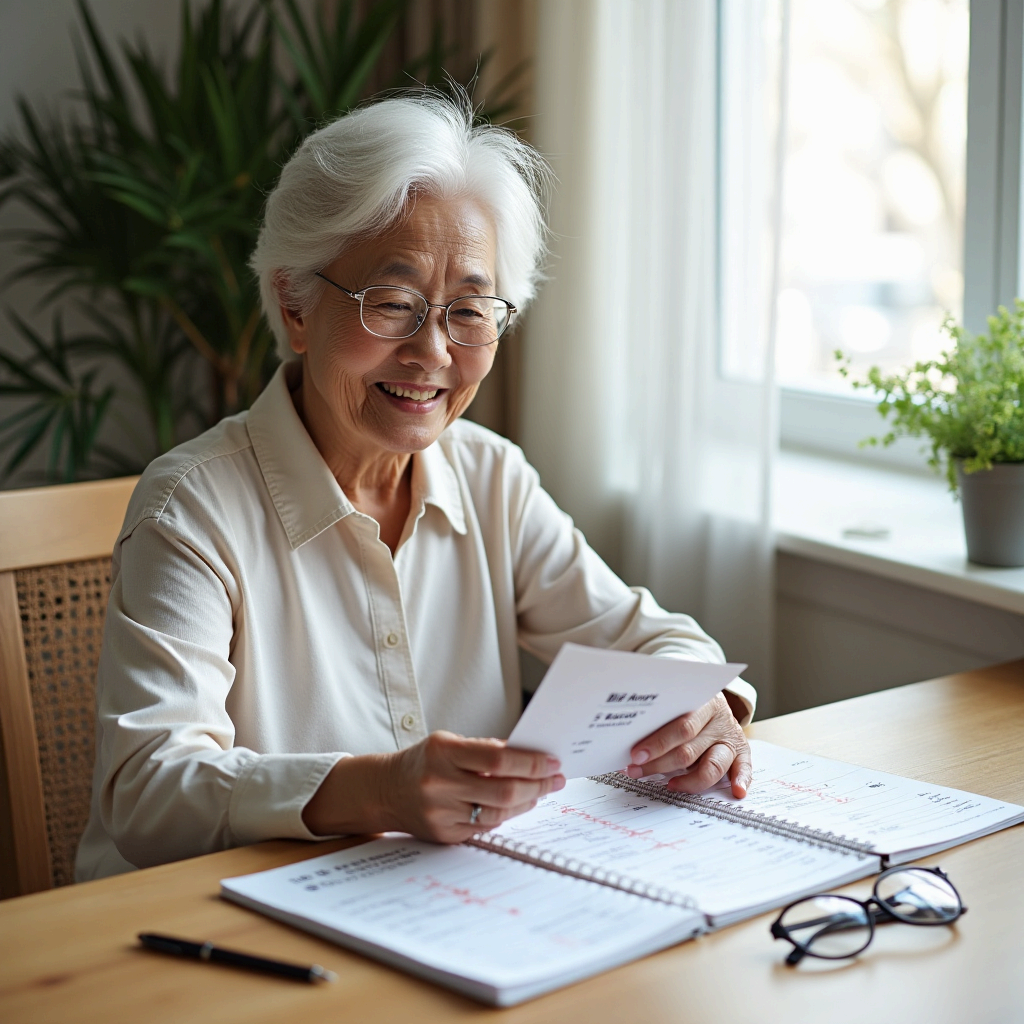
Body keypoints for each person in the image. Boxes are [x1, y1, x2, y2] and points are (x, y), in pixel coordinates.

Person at [76, 92, 756, 881]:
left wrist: (705, 710)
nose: (432, 351)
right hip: (204, 932)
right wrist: (378, 790)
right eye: (393, 304)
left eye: (470, 310)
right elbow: (148, 788)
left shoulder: (491, 477)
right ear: (295, 304)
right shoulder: (192, 509)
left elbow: (653, 640)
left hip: (446, 910)